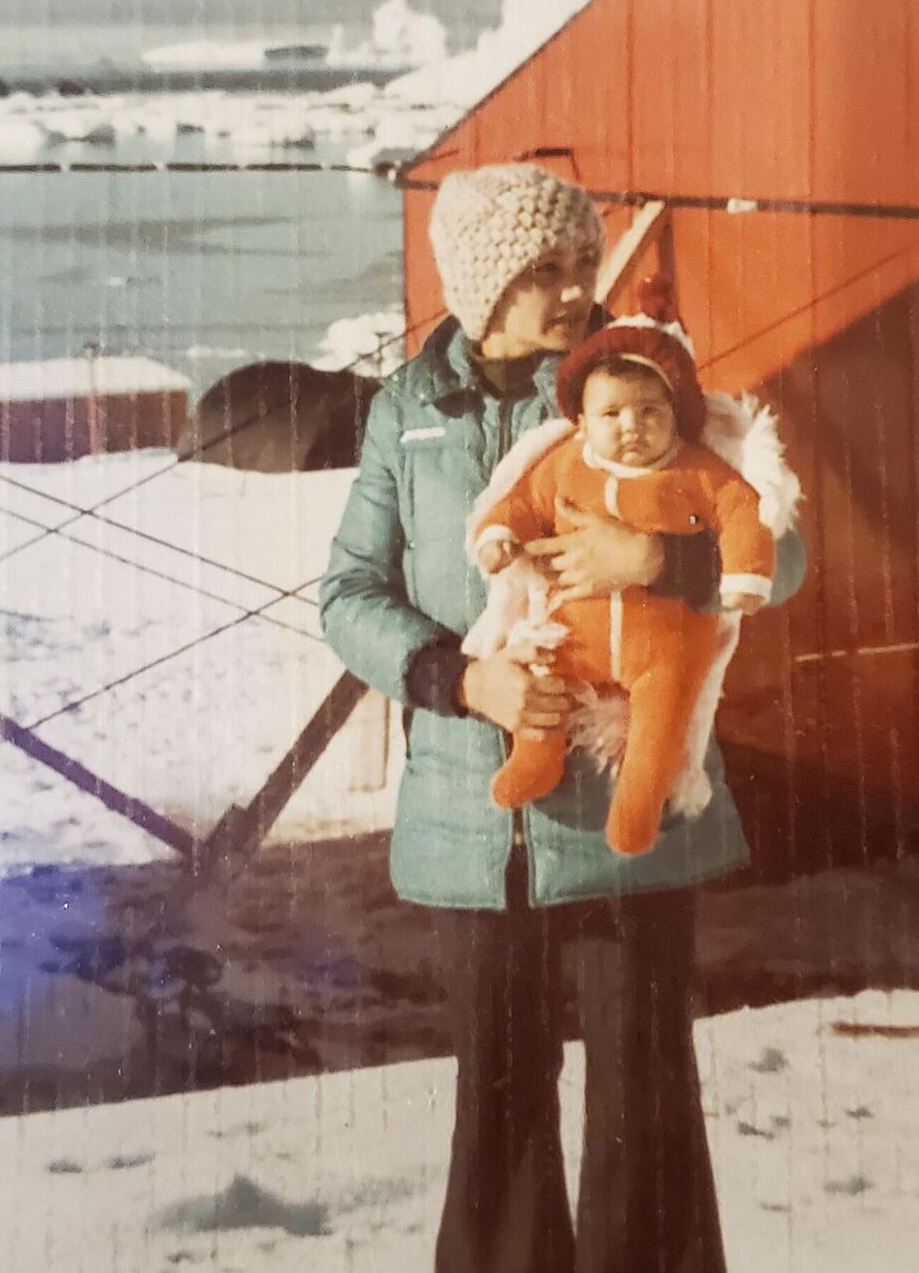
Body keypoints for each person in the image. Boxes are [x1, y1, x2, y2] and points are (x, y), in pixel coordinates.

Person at [320, 162, 806, 1273]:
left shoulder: (638, 381)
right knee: (495, 1111)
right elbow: (348, 593)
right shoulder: (408, 410)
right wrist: (459, 678)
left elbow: (784, 558)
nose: (579, 287)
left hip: (626, 815)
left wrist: (665, 560)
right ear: (485, 280)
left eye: (585, 262)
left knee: (644, 1102)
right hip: (471, 820)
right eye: (549, 267)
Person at [467, 309, 794, 855]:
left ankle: (638, 808)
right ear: (582, 422)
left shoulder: (696, 471)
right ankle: (537, 756)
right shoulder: (565, 466)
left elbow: (744, 512)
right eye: (611, 413)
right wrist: (499, 536)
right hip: (574, 631)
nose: (631, 426)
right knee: (545, 673)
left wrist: (743, 572)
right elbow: (521, 502)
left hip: (665, 644)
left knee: (661, 724)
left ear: (675, 414)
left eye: (650, 411)